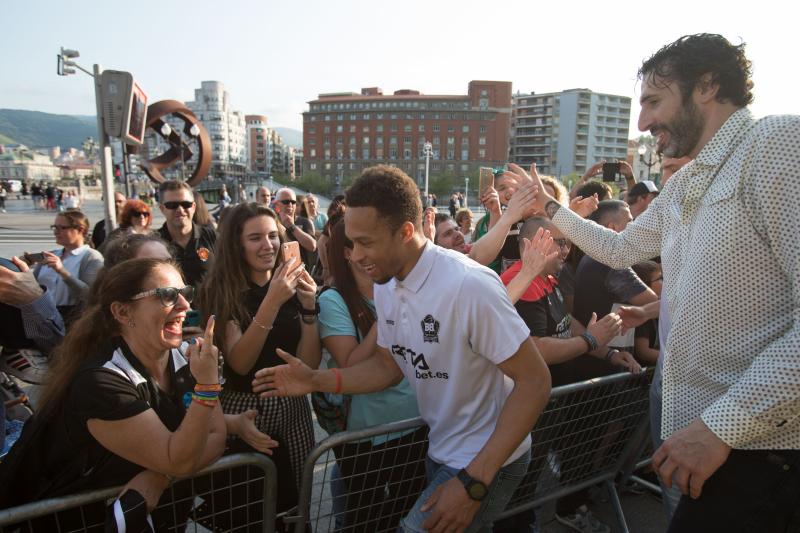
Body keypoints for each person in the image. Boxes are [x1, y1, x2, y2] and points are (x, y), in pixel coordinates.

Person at [522, 33, 800, 532]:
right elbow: (617, 248)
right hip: (697, 444)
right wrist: (547, 206)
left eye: (653, 101)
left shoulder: (776, 144)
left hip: (757, 450)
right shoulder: (690, 184)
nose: (644, 121)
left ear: (707, 86)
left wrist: (721, 426)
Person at [253, 165, 551, 532]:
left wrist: (474, 482)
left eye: (366, 242)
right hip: (441, 451)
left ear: (406, 232)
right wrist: (316, 380)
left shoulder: (468, 286)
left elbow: (535, 382)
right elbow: (387, 365)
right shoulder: (387, 284)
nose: (355, 254)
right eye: (351, 241)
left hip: (488, 461)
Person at [0, 259, 226, 529]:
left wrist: (160, 476)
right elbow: (179, 458)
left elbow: (215, 437)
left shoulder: (182, 358)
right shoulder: (99, 382)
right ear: (122, 311)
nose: (185, 306)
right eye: (167, 295)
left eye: (185, 293)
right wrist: (207, 386)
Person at [197, 203, 320, 497]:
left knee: (297, 503)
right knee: (253, 506)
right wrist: (272, 302)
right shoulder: (222, 291)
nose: (267, 245)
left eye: (272, 236)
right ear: (237, 245)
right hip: (246, 409)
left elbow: (309, 363)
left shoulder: (293, 284)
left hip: (293, 408)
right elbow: (240, 363)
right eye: (255, 238)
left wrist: (309, 308)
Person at [319, 219, 425, 532]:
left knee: (409, 511)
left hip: (413, 423)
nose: (371, 252)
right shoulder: (333, 300)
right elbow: (349, 362)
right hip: (365, 435)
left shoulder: (398, 285)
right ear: (346, 252)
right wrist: (387, 315)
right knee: (368, 518)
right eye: (361, 244)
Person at [33, 210, 103, 322]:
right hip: (43, 316)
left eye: (62, 228)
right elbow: (33, 284)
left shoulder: (91, 257)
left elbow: (90, 295)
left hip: (72, 319)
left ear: (80, 230)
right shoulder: (51, 254)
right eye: (54, 227)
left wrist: (61, 271)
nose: (56, 232)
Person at [157, 180, 216, 291]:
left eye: (186, 204)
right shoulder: (155, 243)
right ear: (162, 209)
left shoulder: (211, 236)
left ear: (193, 207)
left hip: (211, 308)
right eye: (172, 205)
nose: (180, 209)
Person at [273, 188, 317, 267]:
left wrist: (292, 226)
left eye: (293, 202)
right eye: (286, 202)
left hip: (300, 272)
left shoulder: (304, 222)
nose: (290, 205)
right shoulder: (271, 223)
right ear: (277, 205)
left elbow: (312, 246)